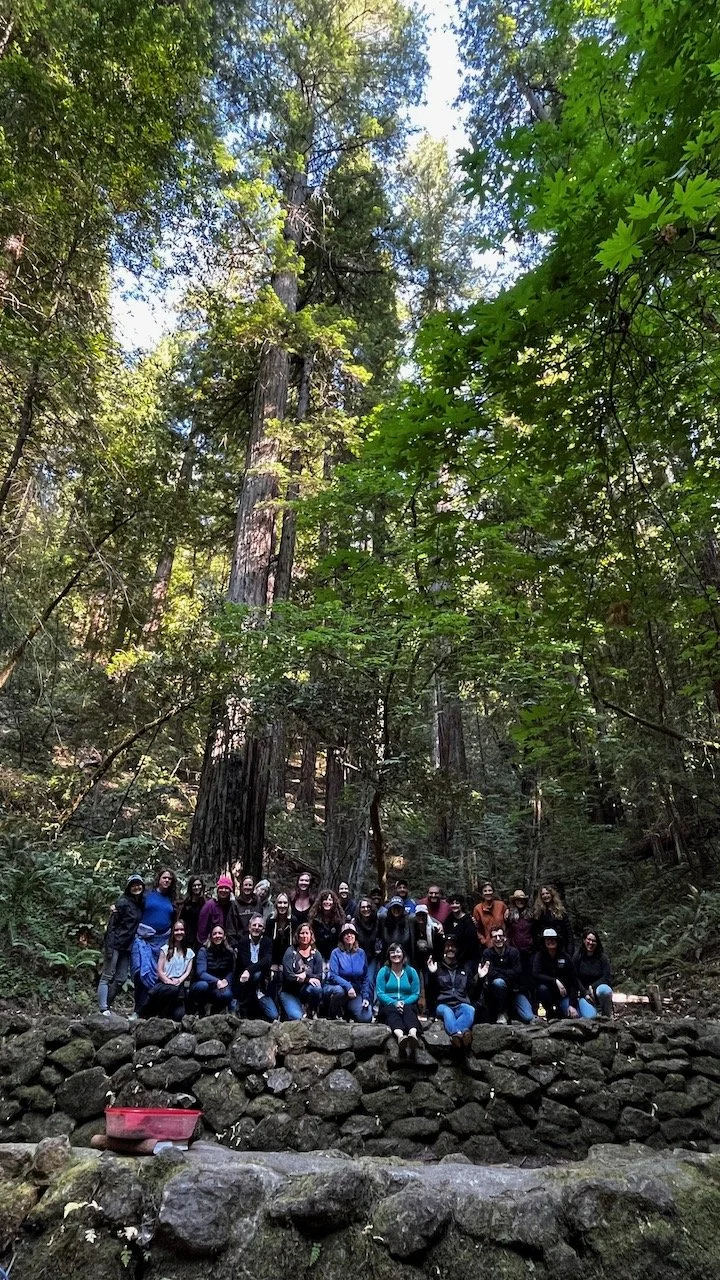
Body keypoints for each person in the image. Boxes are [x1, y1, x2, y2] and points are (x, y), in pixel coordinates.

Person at [98, 873, 145, 1015]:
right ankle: (103, 1008)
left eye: (139, 884)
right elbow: (112, 925)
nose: (136, 887)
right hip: (115, 943)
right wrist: (109, 946)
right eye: (133, 885)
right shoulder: (123, 902)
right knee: (108, 975)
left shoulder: (140, 903)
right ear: (129, 887)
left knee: (121, 978)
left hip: (127, 946)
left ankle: (107, 1004)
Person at [139, 919, 194, 1021]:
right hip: (164, 984)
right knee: (171, 989)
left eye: (181, 930)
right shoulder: (165, 949)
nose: (179, 932)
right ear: (173, 932)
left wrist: (179, 980)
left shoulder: (190, 953)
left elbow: (187, 971)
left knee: (179, 1015)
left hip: (179, 985)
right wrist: (168, 981)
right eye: (176, 930)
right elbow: (159, 970)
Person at [427, 937, 476, 1048]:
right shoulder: (437, 967)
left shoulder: (465, 968)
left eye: (453, 946)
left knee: (470, 1010)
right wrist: (432, 974)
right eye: (447, 946)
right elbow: (430, 992)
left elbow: (473, 992)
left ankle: (456, 1035)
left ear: (457, 949)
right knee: (447, 1012)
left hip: (461, 1003)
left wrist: (481, 979)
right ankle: (462, 1032)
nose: (450, 948)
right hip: (443, 1005)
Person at [479, 925, 533, 1024]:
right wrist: (507, 974)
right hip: (496, 992)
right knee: (498, 983)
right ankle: (502, 1012)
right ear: (491, 939)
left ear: (505, 937)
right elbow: (490, 974)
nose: (498, 939)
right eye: (495, 936)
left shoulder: (514, 952)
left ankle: (513, 1012)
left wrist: (498, 971)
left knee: (528, 1017)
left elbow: (517, 972)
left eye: (500, 936)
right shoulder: (487, 953)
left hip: (515, 991)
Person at [375, 943, 423, 1055]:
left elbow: (416, 993)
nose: (395, 954)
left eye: (398, 952)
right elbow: (380, 993)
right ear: (388, 955)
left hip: (407, 1003)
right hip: (389, 1004)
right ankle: (400, 1036)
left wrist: (403, 1002)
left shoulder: (411, 972)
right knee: (391, 1011)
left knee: (409, 1010)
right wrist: (394, 1003)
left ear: (403, 954)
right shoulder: (384, 971)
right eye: (392, 952)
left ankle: (412, 1035)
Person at [326, 922, 372, 1021]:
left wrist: (365, 997)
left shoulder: (361, 953)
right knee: (339, 991)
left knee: (366, 1017)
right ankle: (333, 1013)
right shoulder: (336, 953)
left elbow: (365, 977)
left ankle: (349, 1011)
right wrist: (348, 986)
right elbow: (333, 975)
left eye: (352, 933)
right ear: (342, 937)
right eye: (346, 933)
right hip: (340, 990)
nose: (349, 935)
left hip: (355, 993)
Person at [235, 915, 278, 1020]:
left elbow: (267, 961)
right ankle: (243, 1007)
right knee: (256, 974)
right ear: (249, 927)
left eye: (260, 926)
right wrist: (249, 970)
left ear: (263, 929)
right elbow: (245, 962)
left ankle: (255, 1004)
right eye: (254, 925)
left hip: (261, 986)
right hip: (244, 984)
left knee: (273, 1015)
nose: (256, 928)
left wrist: (249, 970)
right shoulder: (243, 942)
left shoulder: (267, 942)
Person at [532, 928, 579, 1020]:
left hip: (564, 995)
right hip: (548, 994)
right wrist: (555, 981)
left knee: (573, 1015)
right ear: (544, 941)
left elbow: (574, 981)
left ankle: (562, 1009)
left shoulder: (565, 957)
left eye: (553, 939)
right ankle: (549, 1012)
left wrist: (572, 1004)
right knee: (542, 989)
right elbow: (536, 974)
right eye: (548, 939)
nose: (551, 941)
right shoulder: (539, 956)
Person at [280, 923, 324, 1020]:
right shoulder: (290, 951)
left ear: (311, 935)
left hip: (305, 990)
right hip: (290, 991)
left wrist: (305, 975)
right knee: (297, 1018)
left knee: (316, 988)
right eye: (302, 933)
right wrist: (306, 979)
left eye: (307, 933)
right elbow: (288, 976)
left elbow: (319, 975)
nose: (304, 936)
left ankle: (311, 1011)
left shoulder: (316, 954)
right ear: (298, 935)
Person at [191, 924, 235, 1013]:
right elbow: (201, 973)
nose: (217, 936)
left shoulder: (229, 952)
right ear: (210, 937)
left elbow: (231, 970)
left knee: (227, 994)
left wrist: (226, 980)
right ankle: (200, 1010)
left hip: (220, 986)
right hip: (204, 984)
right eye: (214, 934)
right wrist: (217, 981)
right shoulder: (203, 951)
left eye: (220, 933)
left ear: (224, 936)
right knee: (202, 986)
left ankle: (215, 1010)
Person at [573, 928, 613, 1018]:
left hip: (598, 990)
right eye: (589, 940)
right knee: (591, 1017)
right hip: (583, 994)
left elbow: (607, 977)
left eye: (594, 941)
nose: (591, 943)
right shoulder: (577, 957)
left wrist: (592, 987)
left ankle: (606, 1015)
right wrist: (585, 992)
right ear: (584, 940)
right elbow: (574, 977)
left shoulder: (602, 958)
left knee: (605, 990)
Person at [197, 875, 243, 949]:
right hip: (212, 945)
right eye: (221, 888)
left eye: (226, 888)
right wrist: (205, 944)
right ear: (217, 890)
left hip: (231, 945)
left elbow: (239, 925)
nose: (223, 890)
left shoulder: (234, 905)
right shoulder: (209, 905)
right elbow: (202, 928)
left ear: (230, 891)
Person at [504, 889, 534, 996]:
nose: (520, 901)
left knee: (529, 977)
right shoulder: (509, 915)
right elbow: (506, 931)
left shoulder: (531, 914)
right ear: (514, 901)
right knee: (516, 977)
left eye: (522, 899)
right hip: (514, 951)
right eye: (517, 899)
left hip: (529, 951)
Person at [266, 891, 293, 1005]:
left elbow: (294, 945)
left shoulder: (293, 921)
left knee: (284, 978)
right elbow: (267, 944)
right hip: (272, 960)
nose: (282, 905)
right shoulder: (271, 920)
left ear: (288, 905)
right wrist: (272, 963)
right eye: (280, 903)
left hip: (287, 960)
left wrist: (285, 964)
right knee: (272, 979)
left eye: (285, 903)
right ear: (276, 904)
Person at [354, 896, 381, 1003]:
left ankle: (369, 1004)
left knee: (370, 980)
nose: (366, 909)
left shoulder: (377, 922)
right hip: (358, 957)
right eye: (363, 907)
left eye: (368, 907)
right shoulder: (354, 923)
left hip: (372, 957)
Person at [140, 867, 177, 946]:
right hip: (144, 939)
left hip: (164, 940)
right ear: (159, 879)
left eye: (169, 879)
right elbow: (131, 904)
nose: (167, 880)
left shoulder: (173, 898)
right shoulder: (146, 894)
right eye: (164, 878)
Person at [532, 885, 573, 953]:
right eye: (543, 894)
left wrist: (570, 950)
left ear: (552, 894)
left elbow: (568, 931)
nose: (545, 896)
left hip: (560, 947)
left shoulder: (560, 911)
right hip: (543, 949)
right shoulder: (537, 912)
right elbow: (534, 932)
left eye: (547, 893)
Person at [309, 889, 346, 961]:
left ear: (334, 902)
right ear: (320, 902)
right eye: (325, 900)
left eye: (330, 900)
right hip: (318, 954)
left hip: (334, 955)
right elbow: (312, 940)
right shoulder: (314, 920)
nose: (327, 902)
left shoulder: (339, 920)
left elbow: (340, 940)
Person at [377, 896, 414, 962]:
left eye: (398, 907)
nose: (396, 910)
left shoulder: (409, 919)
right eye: (394, 907)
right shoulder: (384, 919)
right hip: (388, 956)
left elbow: (424, 916)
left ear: (403, 909)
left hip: (405, 955)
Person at [444, 894, 479, 965]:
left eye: (457, 903)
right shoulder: (448, 919)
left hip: (467, 956)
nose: (454, 905)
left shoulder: (468, 920)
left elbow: (471, 942)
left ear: (461, 905)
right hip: (451, 955)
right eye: (452, 903)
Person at [472, 881, 507, 949]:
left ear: (493, 892)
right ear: (482, 894)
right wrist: (483, 940)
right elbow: (476, 928)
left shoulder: (501, 905)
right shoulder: (478, 909)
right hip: (488, 945)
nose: (488, 893)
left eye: (490, 890)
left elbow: (508, 922)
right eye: (485, 891)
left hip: (503, 943)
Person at [178, 876, 207, 953]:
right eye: (194, 885)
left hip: (201, 937)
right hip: (187, 937)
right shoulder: (185, 903)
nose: (197, 887)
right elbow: (180, 919)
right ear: (190, 887)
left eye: (199, 885)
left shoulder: (205, 903)